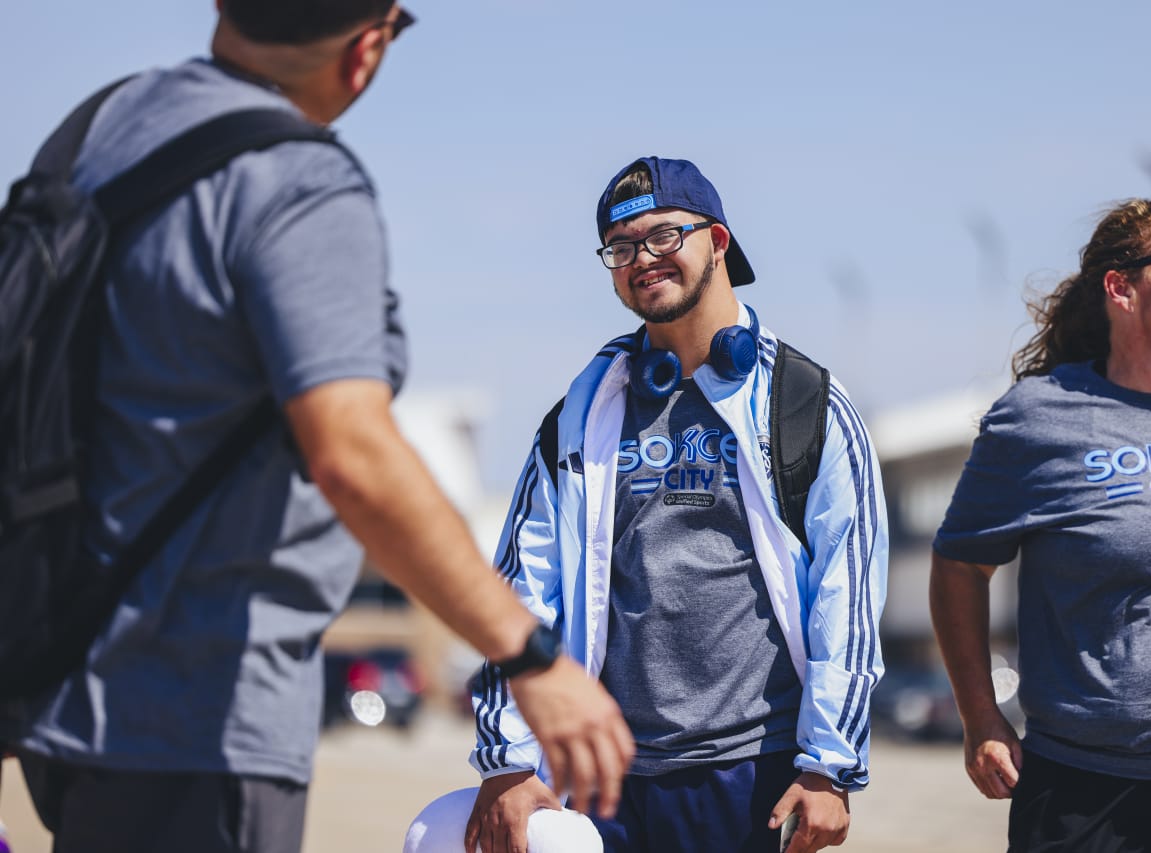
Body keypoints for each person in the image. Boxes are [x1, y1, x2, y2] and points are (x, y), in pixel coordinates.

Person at [0, 3, 631, 851]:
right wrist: (530, 657)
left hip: (56, 684)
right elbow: (354, 456)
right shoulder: (298, 182)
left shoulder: (98, 129)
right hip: (197, 717)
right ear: (366, 47)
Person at [460, 156, 889, 853]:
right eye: (621, 247)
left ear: (718, 241)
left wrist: (830, 766)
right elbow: (521, 588)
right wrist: (508, 757)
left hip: (755, 773)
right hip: (602, 774)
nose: (641, 259)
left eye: (664, 236)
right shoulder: (581, 414)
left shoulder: (805, 403)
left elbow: (848, 591)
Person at [930, 198, 1151, 851]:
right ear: (1120, 287)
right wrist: (980, 715)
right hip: (1090, 792)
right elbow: (959, 565)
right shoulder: (1039, 417)